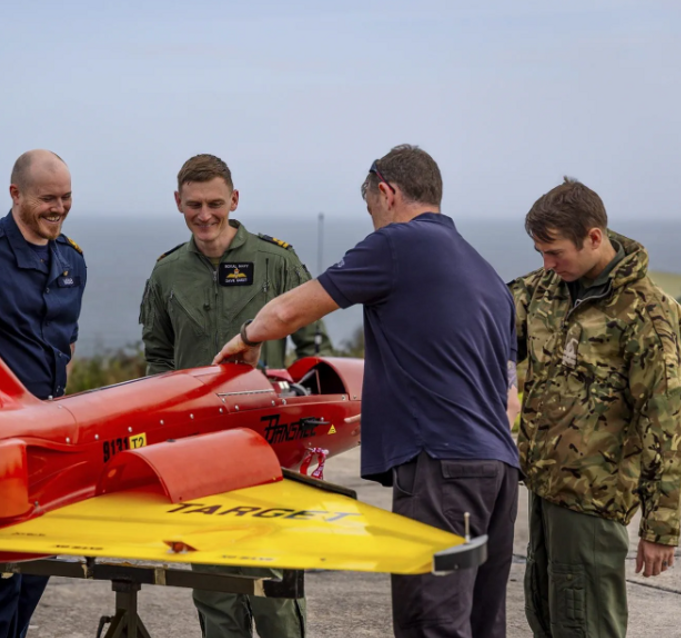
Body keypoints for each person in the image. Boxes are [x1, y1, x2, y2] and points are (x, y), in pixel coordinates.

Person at [215, 145, 521, 638]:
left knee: (433, 624)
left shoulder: (397, 244)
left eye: (372, 210)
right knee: (483, 625)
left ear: (387, 191)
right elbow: (510, 400)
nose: (375, 222)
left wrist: (246, 338)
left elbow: (289, 313)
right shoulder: (488, 277)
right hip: (500, 472)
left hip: (441, 468)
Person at [139, 154, 328, 638]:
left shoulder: (277, 262)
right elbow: (157, 358)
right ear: (178, 203)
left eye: (215, 204)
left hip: (271, 447)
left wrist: (306, 431)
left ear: (234, 200)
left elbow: (311, 350)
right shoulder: (167, 273)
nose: (205, 215)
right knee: (215, 588)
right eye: (194, 205)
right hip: (196, 451)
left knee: (275, 591)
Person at [509, 177, 681, 637]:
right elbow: (486, 315)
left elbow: (665, 422)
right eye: (540, 254)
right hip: (546, 492)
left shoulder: (645, 313)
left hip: (593, 502)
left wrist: (660, 527)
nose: (547, 265)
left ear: (594, 237)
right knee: (544, 617)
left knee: (584, 627)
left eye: (555, 253)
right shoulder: (547, 290)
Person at [0, 149, 86, 638]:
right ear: (15, 196)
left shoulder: (71, 258)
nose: (59, 207)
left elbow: (64, 341)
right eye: (48, 198)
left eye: (66, 197)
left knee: (33, 574)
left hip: (49, 451)